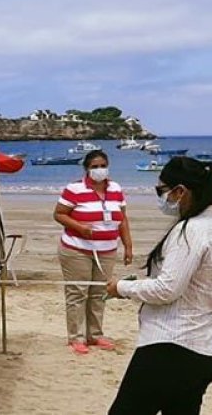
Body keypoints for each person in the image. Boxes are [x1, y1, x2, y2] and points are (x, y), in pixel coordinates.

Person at [106, 156, 212, 415]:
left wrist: (122, 287)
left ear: (180, 191)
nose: (160, 198)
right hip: (203, 349)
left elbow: (167, 289)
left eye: (160, 191)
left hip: (173, 348)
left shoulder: (191, 231)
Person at [54, 149, 133, 354]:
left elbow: (122, 219)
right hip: (77, 249)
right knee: (78, 292)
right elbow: (59, 214)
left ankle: (95, 335)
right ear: (87, 169)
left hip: (107, 250)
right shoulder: (74, 188)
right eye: (94, 167)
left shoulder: (115, 188)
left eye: (102, 166)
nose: (99, 170)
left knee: (99, 292)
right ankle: (76, 337)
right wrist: (81, 228)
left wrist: (128, 245)